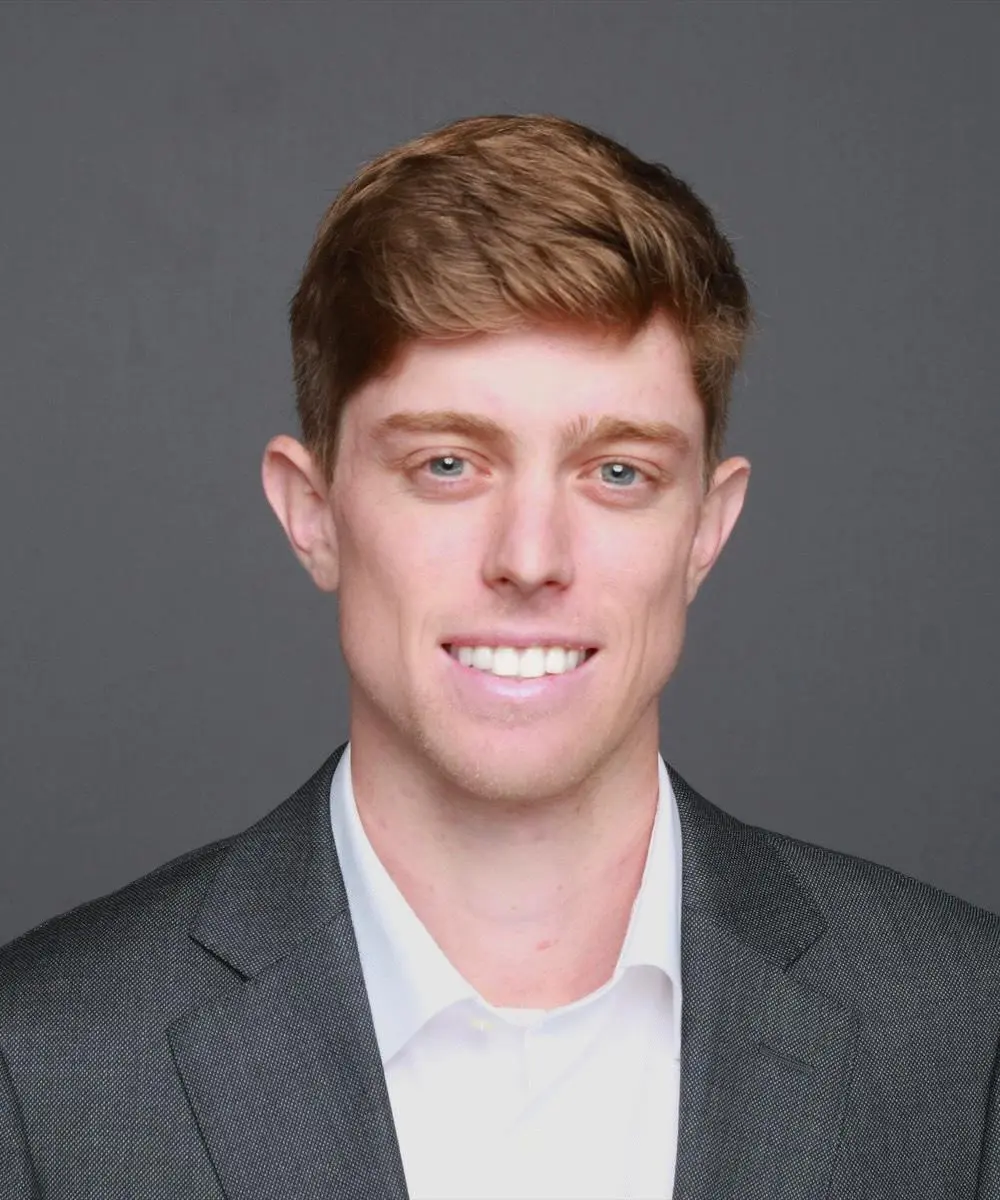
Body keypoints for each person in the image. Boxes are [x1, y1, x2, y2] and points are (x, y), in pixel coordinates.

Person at [1, 113, 998, 1200]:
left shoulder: (962, 1034)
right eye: (446, 464)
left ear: (706, 528)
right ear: (313, 514)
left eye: (617, 473)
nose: (531, 558)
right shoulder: (41, 1069)